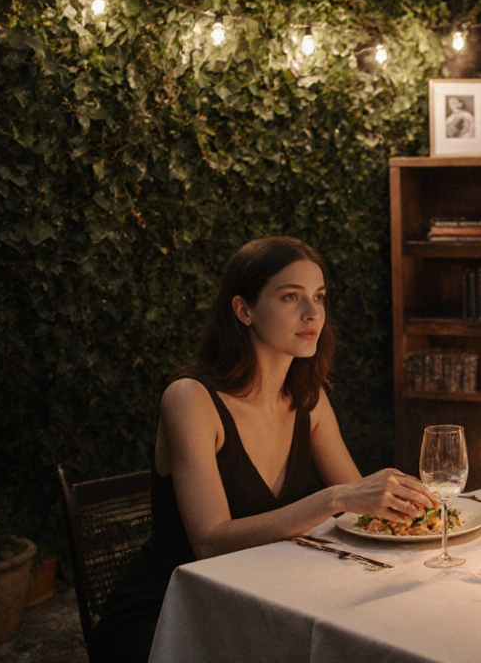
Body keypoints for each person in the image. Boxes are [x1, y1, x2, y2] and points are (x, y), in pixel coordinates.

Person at [89, 237, 437, 663]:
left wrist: (419, 511)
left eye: (319, 297)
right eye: (291, 297)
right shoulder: (190, 399)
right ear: (244, 309)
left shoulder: (308, 398)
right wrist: (336, 498)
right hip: (172, 616)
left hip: (263, 600)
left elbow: (359, 510)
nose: (312, 313)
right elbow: (211, 543)